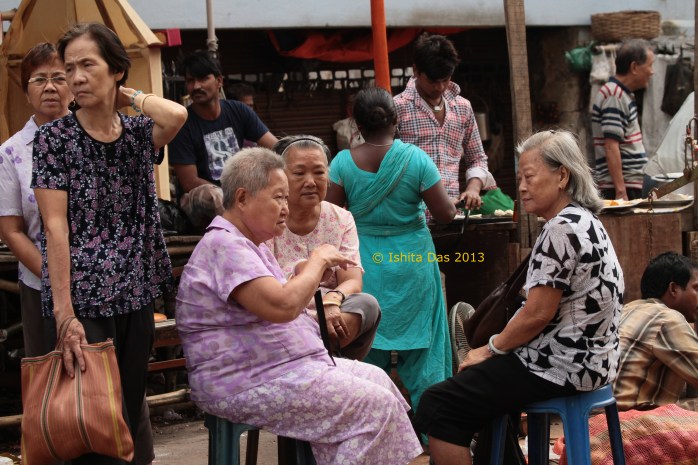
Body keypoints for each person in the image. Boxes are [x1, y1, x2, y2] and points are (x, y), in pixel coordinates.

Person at [175, 148, 423, 464]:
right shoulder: (226, 245)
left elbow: (277, 293)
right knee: (374, 406)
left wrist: (301, 273)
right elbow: (282, 307)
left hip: (277, 366)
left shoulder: (248, 242)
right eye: (278, 197)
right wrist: (318, 261)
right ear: (242, 198)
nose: (285, 206)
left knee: (380, 384)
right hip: (243, 379)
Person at [413, 130, 624, 465]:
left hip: (561, 365)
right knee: (481, 389)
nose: (521, 187)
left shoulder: (559, 230)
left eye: (529, 177)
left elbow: (537, 314)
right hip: (595, 363)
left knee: (439, 404)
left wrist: (490, 347)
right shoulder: (587, 221)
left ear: (562, 176)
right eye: (520, 178)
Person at [31, 22, 188, 465]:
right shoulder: (53, 139)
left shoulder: (138, 134)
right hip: (81, 298)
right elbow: (54, 227)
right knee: (88, 423)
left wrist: (129, 96)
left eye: (87, 65)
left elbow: (176, 116)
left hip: (134, 292)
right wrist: (64, 316)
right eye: (68, 69)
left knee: (125, 408)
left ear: (115, 69)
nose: (75, 78)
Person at [325, 87, 457, 414]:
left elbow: (329, 215)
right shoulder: (416, 159)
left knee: (367, 345)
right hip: (413, 259)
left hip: (363, 261)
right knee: (426, 348)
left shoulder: (342, 163)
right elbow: (446, 214)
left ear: (356, 124)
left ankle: (375, 426)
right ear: (396, 120)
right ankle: (434, 431)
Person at [268, 134, 381, 360]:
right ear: (280, 177)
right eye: (299, 173)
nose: (311, 181)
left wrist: (332, 301)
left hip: (330, 312)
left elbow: (352, 280)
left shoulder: (340, 218)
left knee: (367, 305)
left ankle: (319, 357)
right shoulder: (268, 218)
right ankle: (319, 357)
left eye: (319, 172)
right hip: (283, 311)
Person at [0, 43, 71, 358]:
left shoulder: (97, 139)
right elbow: (11, 229)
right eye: (39, 79)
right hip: (40, 283)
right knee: (50, 379)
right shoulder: (11, 152)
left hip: (102, 280)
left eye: (59, 77)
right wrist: (55, 274)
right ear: (27, 92)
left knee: (106, 379)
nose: (50, 87)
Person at [168, 51, 278, 229]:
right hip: (199, 200)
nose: (196, 86)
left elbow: (275, 146)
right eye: (190, 81)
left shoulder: (239, 111)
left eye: (203, 79)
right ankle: (242, 237)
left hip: (239, 193)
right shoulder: (182, 124)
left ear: (219, 81)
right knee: (214, 196)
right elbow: (189, 182)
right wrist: (232, 195)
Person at [393, 33, 495, 213]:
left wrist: (473, 188)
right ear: (416, 71)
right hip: (409, 217)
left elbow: (477, 158)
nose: (440, 87)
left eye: (445, 80)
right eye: (433, 81)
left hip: (453, 214)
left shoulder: (463, 107)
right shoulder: (397, 107)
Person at [613, 251, 698, 412]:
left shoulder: (629, 309)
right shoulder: (666, 319)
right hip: (631, 423)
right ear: (673, 289)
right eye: (696, 288)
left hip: (602, 419)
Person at [591, 38, 655, 201]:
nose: (652, 71)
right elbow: (611, 146)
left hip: (628, 184)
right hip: (623, 187)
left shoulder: (620, 94)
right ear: (634, 67)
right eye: (650, 65)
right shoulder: (615, 95)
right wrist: (620, 191)